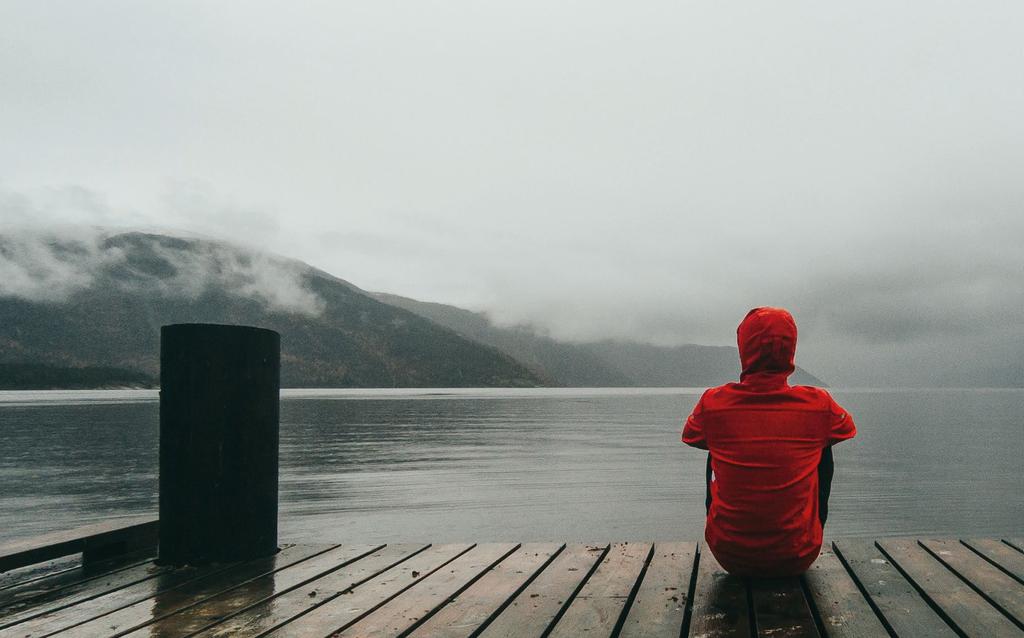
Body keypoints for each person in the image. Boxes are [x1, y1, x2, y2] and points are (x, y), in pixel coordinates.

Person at [681, 307, 856, 577]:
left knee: (713, 443)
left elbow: (691, 435)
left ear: (743, 348)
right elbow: (846, 427)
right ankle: (810, 530)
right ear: (791, 348)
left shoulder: (713, 403)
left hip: (730, 556)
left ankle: (723, 528)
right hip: (797, 556)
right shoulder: (818, 404)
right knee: (824, 443)